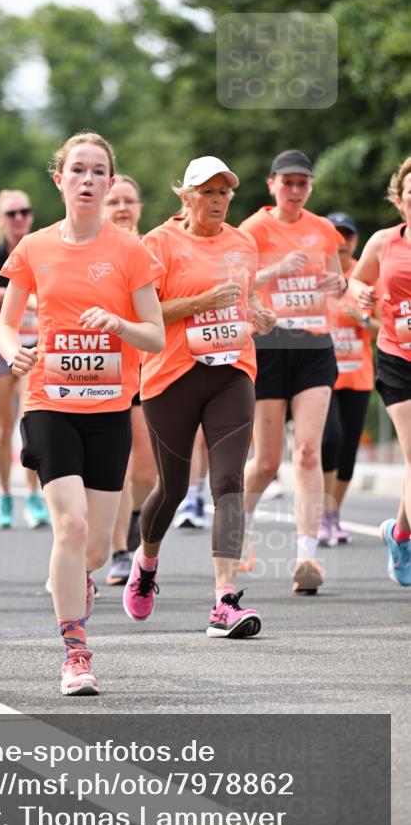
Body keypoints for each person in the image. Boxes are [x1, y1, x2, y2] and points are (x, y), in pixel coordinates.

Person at [0, 131, 165, 695]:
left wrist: (119, 326)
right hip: (49, 402)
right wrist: (9, 348)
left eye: (99, 171)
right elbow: (5, 319)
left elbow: (156, 335)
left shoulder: (130, 251)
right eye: (78, 170)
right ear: (59, 180)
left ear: (111, 181)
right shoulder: (35, 248)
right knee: (67, 524)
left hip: (110, 407)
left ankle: (79, 582)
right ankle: (76, 651)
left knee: (92, 547)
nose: (88, 180)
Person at [123, 156, 275, 637]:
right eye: (206, 192)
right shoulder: (158, 244)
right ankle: (146, 563)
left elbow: (243, 300)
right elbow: (145, 316)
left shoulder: (243, 243)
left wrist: (257, 315)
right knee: (171, 487)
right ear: (185, 196)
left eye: (224, 192)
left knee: (230, 481)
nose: (217, 201)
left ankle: (224, 601)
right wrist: (198, 304)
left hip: (232, 371)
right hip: (172, 375)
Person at [239, 150, 345, 595]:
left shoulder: (322, 229)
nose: (295, 191)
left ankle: (306, 556)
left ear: (310, 187)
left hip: (314, 346)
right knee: (264, 462)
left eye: (303, 183)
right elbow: (238, 285)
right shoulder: (253, 229)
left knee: (306, 453)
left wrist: (335, 285)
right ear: (271, 185)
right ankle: (237, 527)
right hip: (270, 344)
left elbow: (337, 279)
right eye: (288, 183)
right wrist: (277, 270)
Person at [350, 155, 411, 587]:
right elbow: (357, 280)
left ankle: (401, 533)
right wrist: (363, 296)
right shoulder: (383, 242)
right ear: (400, 199)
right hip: (397, 357)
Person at [0, 191, 49, 531]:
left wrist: (7, 296)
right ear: (1, 219)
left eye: (25, 211)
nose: (19, 218)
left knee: (30, 421)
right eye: (12, 213)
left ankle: (32, 495)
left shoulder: (43, 250)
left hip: (35, 343)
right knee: (4, 425)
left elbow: (49, 296)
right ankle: (5, 495)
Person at [101, 175, 157, 586]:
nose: (122, 208)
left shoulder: (153, 248)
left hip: (150, 367)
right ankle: (120, 551)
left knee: (147, 470)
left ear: (139, 207)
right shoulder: (92, 248)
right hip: (103, 369)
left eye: (129, 201)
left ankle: (136, 523)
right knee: (118, 466)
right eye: (114, 201)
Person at [319, 212, 380, 546]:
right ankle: (321, 512)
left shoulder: (363, 275)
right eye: (335, 235)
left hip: (358, 376)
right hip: (322, 377)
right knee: (329, 440)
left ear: (355, 240)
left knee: (348, 451)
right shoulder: (315, 274)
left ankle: (332, 515)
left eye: (348, 236)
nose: (342, 242)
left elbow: (384, 327)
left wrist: (362, 318)